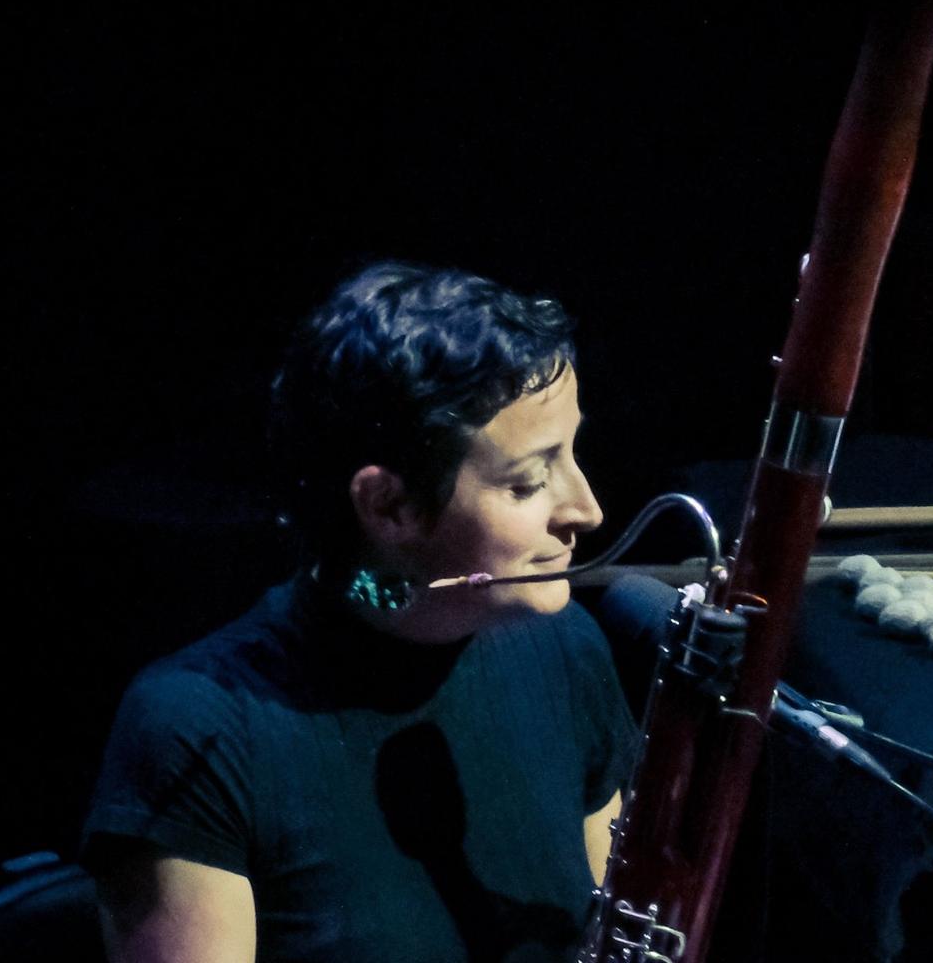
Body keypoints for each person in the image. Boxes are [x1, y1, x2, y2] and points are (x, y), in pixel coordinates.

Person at [81, 261, 638, 962]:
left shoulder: (566, 651)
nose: (585, 510)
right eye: (529, 481)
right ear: (389, 506)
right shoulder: (194, 730)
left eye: (572, 455)